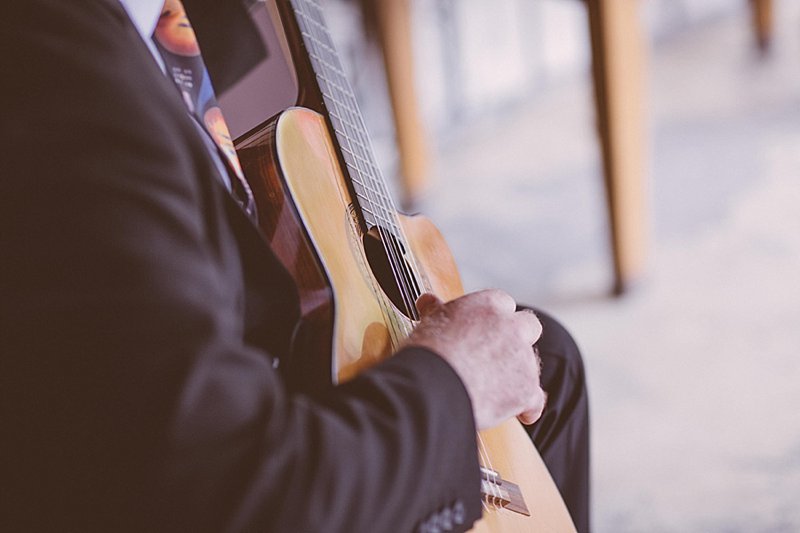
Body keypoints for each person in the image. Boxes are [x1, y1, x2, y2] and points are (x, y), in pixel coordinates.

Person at [0, 1, 589, 531]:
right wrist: (454, 383)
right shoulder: (70, 93)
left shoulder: (141, 26)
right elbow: (230, 488)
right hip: (219, 479)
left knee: (548, 360)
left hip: (185, 377)